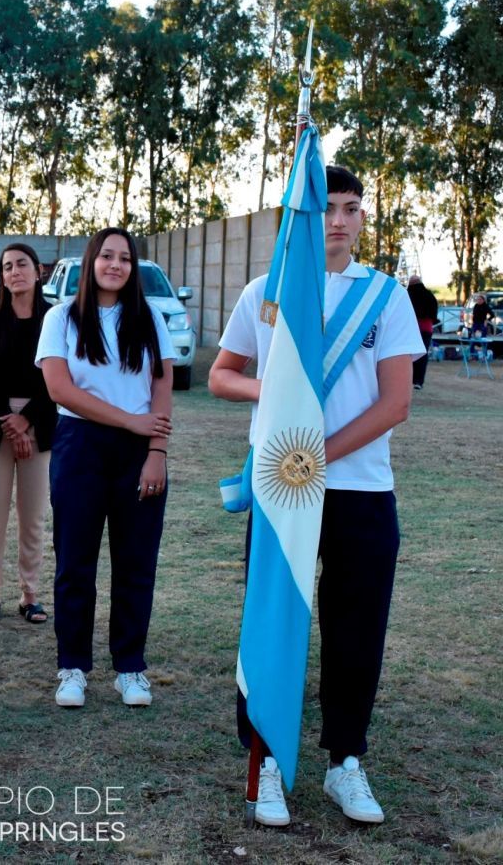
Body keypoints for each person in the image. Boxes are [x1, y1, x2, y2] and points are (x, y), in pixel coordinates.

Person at [209, 165, 424, 827]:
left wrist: (316, 453)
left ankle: (344, 763)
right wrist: (274, 396)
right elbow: (223, 377)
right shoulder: (263, 292)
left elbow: (395, 402)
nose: (337, 219)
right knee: (274, 622)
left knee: (356, 629)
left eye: (351, 208)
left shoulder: (385, 297)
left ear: (363, 219)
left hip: (360, 490)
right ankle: (266, 759)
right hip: (282, 493)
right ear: (299, 218)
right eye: (325, 207)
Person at [36, 227, 175, 711]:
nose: (115, 265)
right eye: (107, 256)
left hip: (139, 451)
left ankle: (130, 668)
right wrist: (128, 420)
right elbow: (60, 389)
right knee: (75, 562)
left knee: (136, 562)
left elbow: (162, 384)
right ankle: (72, 667)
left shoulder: (150, 317)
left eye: (125, 258)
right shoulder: (61, 318)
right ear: (92, 262)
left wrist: (156, 449)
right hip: (79, 446)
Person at [0, 243, 56, 624]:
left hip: (41, 423)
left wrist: (28, 420)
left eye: (21, 264)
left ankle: (30, 594)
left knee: (33, 514)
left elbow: (58, 376)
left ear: (38, 271)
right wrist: (9, 418)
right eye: (7, 266)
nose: (14, 272)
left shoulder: (55, 318)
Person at [407, 275, 438, 389]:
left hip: (410, 328)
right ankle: (419, 381)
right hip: (426, 327)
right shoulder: (429, 295)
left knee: (408, 354)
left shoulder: (408, 294)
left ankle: (408, 379)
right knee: (422, 355)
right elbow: (434, 312)